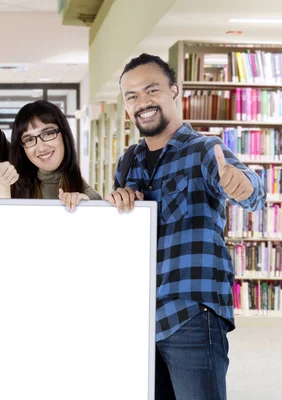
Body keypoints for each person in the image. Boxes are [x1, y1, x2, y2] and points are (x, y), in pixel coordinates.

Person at [106, 53, 266, 399]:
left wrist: (242, 184)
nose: (142, 103)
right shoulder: (128, 161)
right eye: (131, 96)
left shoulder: (205, 150)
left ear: (174, 91)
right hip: (141, 318)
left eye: (152, 90)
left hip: (190, 315)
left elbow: (253, 193)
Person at [0, 44, 101, 211]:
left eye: (48, 133)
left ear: (64, 134)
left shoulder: (86, 195)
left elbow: (97, 213)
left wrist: (87, 207)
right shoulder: (15, 175)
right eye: (29, 139)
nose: (41, 146)